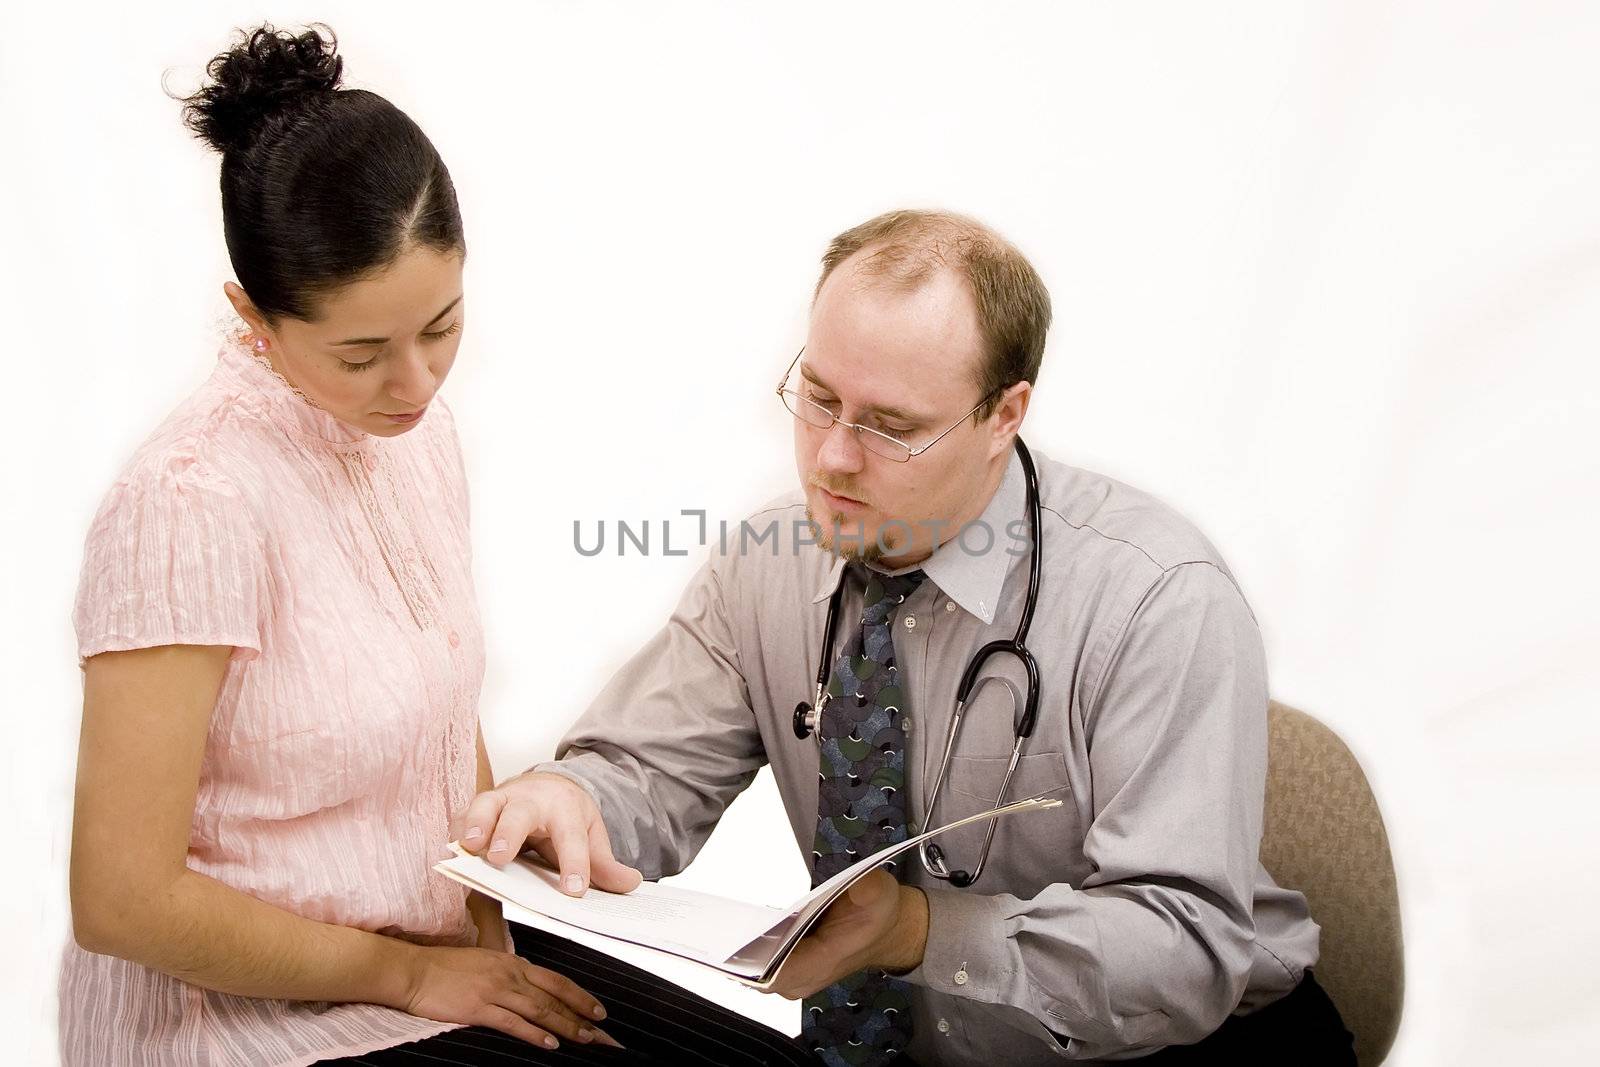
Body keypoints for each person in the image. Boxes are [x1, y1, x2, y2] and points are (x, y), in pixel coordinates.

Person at [62, 23, 813, 1067]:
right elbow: (122, 901)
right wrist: (416, 975)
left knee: (774, 1061)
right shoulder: (188, 502)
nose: (417, 385)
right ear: (252, 317)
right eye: (361, 353)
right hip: (244, 1015)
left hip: (434, 946)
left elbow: (438, 717)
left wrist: (492, 926)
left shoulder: (412, 440)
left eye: (442, 326)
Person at [459, 209, 1359, 1065]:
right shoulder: (766, 565)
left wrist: (918, 933)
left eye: (893, 427)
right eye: (817, 398)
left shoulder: (1159, 601)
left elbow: (1187, 946)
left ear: (1005, 415)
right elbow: (645, 777)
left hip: (1188, 1052)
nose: (832, 458)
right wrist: (573, 799)